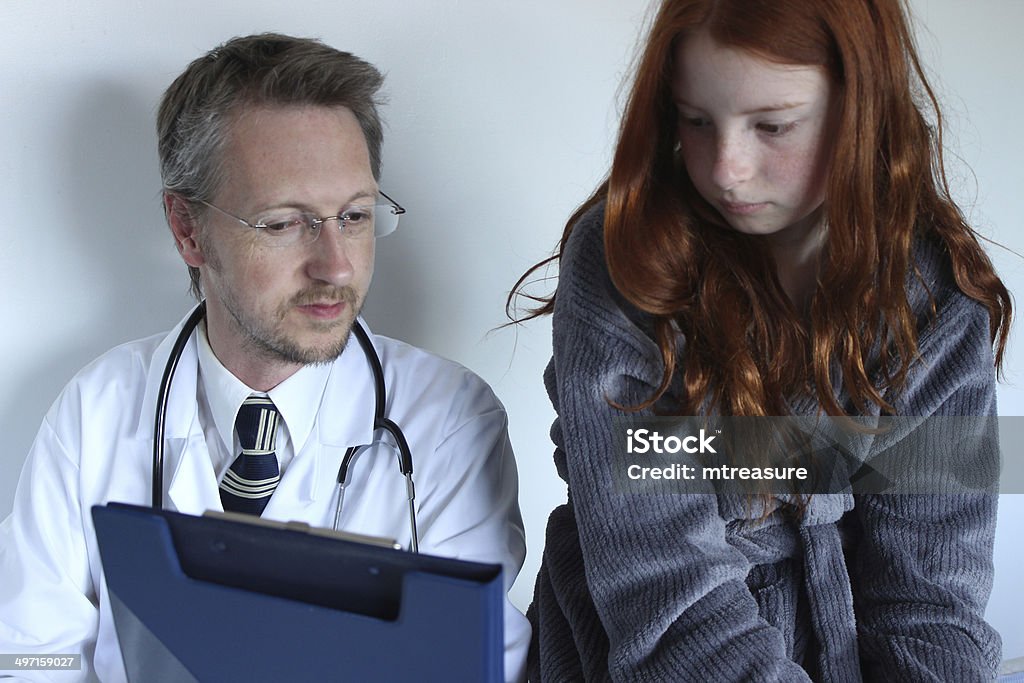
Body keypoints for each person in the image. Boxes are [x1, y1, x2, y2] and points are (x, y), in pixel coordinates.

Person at [0, 33, 529, 682]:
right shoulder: (96, 411)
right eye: (283, 223)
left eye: (356, 216)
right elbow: (29, 655)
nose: (336, 265)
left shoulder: (448, 422)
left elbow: (469, 668)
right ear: (187, 229)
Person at [511, 0, 1011, 680]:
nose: (725, 169)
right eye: (695, 121)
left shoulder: (936, 297)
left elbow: (929, 602)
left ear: (861, 108)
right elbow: (665, 592)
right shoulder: (624, 262)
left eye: (772, 125)